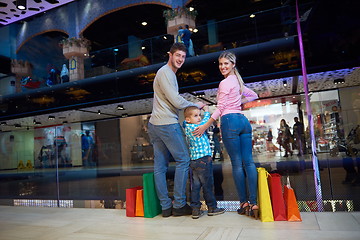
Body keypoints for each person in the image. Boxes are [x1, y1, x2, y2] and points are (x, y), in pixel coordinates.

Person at [193, 51, 259, 219]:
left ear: (233, 65)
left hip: (229, 121)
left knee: (237, 165)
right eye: (220, 64)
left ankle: (243, 203)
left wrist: (205, 126)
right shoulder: (238, 81)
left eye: (226, 64)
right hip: (243, 121)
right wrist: (237, 103)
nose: (222, 67)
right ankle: (254, 203)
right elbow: (254, 95)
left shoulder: (224, 83)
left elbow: (220, 109)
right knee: (249, 163)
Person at [147, 42, 203, 217]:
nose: (180, 59)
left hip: (155, 125)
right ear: (169, 55)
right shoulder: (166, 73)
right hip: (166, 124)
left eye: (183, 57)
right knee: (184, 160)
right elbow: (176, 102)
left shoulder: (166, 74)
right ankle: (178, 205)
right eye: (177, 55)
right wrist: (196, 105)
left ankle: (165, 207)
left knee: (160, 167)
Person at [183, 105, 225, 219]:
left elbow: (188, 121)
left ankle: (195, 209)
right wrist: (206, 111)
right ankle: (212, 207)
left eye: (199, 115)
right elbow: (207, 122)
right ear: (188, 119)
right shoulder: (196, 127)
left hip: (194, 161)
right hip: (203, 160)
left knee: (195, 186)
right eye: (196, 116)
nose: (199, 118)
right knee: (208, 185)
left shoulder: (187, 127)